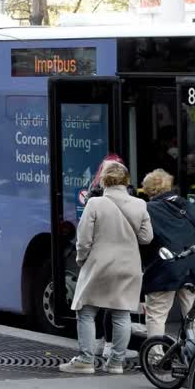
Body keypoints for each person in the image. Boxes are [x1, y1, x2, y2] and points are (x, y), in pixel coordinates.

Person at [60, 161, 153, 375]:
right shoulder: (140, 205)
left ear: (103, 180)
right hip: (129, 266)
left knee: (86, 311)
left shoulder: (95, 204)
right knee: (121, 315)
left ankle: (85, 360)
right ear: (126, 181)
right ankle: (116, 363)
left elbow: (83, 240)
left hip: (99, 265)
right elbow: (147, 238)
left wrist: (82, 260)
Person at [141, 169, 195, 341]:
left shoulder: (147, 209)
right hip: (194, 265)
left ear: (148, 190)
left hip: (164, 266)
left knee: (156, 313)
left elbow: (145, 239)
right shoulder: (187, 205)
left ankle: (155, 356)